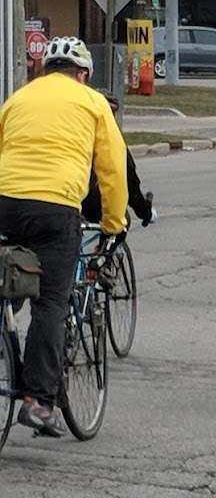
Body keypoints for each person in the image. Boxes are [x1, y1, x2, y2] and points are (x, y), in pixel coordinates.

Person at [0, 37, 127, 435]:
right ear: (84, 74)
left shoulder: (17, 99)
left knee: (8, 285)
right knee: (51, 302)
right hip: (55, 208)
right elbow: (112, 168)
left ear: (43, 69)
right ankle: (38, 402)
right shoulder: (92, 103)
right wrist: (113, 223)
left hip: (3, 199)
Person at [81, 93, 154, 229]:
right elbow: (129, 183)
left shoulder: (71, 131)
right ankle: (106, 248)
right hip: (91, 201)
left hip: (60, 198)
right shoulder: (113, 142)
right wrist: (144, 212)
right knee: (120, 219)